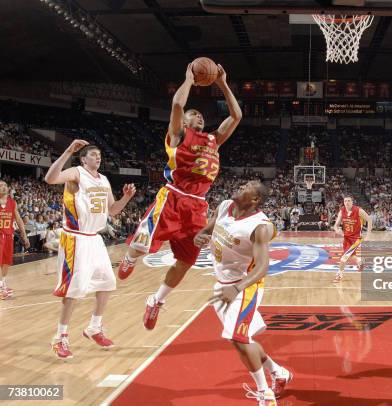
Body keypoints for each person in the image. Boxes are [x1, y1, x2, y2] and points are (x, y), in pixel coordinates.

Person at [116, 62, 242, 330]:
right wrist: (188, 79)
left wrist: (222, 84)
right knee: (141, 245)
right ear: (184, 121)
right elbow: (176, 106)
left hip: (197, 206)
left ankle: (156, 301)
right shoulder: (177, 135)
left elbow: (236, 116)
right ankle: (129, 258)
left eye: (201, 116)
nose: (200, 118)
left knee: (187, 260)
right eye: (194, 114)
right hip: (173, 197)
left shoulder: (213, 140)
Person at [193, 181, 292, 405]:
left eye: (248, 186)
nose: (240, 185)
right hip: (222, 284)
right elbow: (207, 230)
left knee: (238, 337)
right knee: (242, 339)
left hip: (245, 287)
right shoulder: (224, 206)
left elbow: (262, 267)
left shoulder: (260, 226)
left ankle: (265, 393)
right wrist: (199, 236)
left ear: (255, 200)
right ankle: (279, 372)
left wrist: (237, 288)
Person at [44, 140, 136, 359]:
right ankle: (60, 337)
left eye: (99, 155)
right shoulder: (76, 172)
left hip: (94, 239)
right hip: (75, 239)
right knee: (73, 290)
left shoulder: (103, 179)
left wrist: (126, 198)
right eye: (93, 155)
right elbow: (50, 178)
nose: (98, 157)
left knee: (107, 283)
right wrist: (68, 151)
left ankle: (94, 327)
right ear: (84, 159)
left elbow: (112, 211)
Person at [0, 180, 30, 299]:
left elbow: (18, 220)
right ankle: (1, 288)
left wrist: (24, 236)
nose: (3, 187)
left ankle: (3, 283)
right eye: (0, 185)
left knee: (6, 261)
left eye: (5, 185)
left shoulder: (12, 203)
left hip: (8, 236)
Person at [332, 196, 371, 283]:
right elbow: (336, 225)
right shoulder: (342, 211)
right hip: (346, 238)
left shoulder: (358, 210)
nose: (347, 202)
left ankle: (339, 275)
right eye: (345, 201)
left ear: (352, 202)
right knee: (352, 255)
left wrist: (368, 235)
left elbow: (369, 220)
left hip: (356, 238)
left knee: (343, 258)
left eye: (349, 201)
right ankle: (360, 262)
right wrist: (337, 230)